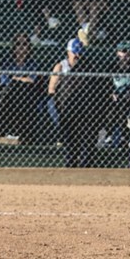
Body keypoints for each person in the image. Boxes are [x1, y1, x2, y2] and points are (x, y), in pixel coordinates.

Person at [48, 37, 103, 167]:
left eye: (80, 52)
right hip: (65, 106)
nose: (77, 55)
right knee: (69, 130)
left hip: (83, 108)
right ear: (68, 52)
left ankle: (85, 164)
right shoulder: (61, 66)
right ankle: (70, 163)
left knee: (87, 130)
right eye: (74, 52)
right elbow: (51, 90)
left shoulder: (88, 67)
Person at [0, 33, 44, 145]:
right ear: (14, 47)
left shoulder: (32, 64)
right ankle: (7, 132)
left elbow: (32, 81)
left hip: (27, 95)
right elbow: (4, 81)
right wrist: (22, 79)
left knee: (21, 89)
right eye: (18, 44)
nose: (21, 47)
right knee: (11, 90)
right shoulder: (7, 63)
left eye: (24, 44)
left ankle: (20, 134)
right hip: (10, 95)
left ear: (29, 47)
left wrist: (15, 78)